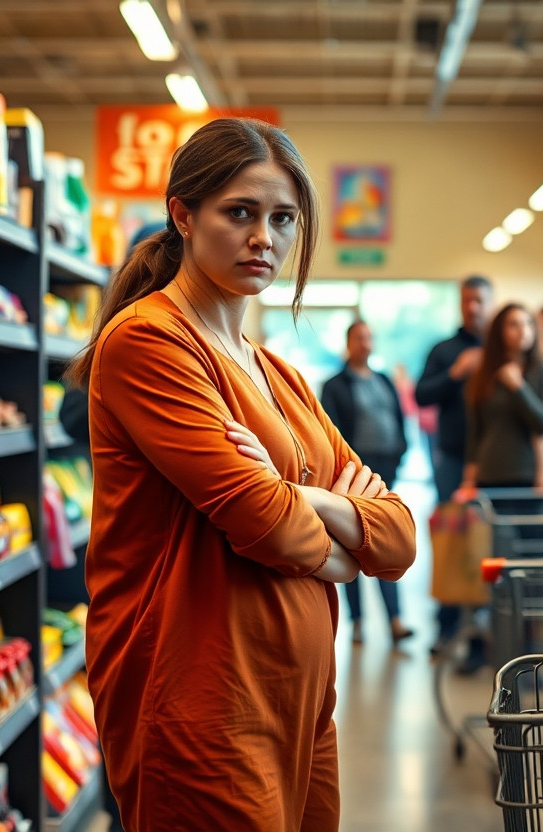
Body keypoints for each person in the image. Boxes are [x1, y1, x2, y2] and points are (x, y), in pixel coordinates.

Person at [70, 117, 417, 831]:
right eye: (241, 213)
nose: (265, 237)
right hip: (203, 704)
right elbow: (271, 530)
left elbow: (400, 539)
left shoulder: (276, 372)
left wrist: (304, 499)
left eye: (283, 218)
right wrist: (335, 545)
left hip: (299, 701)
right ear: (183, 215)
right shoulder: (148, 341)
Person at [320, 320, 414, 646]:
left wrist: (401, 452)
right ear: (348, 343)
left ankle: (395, 619)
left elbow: (399, 419)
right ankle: (357, 622)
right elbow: (331, 431)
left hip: (387, 466)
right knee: (354, 543)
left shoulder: (384, 379)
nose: (365, 343)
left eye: (369, 338)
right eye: (359, 338)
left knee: (384, 542)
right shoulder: (335, 385)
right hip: (354, 473)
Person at [416, 275, 492, 654]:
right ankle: (446, 629)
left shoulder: (501, 349)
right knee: (450, 543)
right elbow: (421, 394)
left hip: (492, 467)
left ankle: (482, 637)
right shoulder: (444, 349)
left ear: (490, 302)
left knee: (486, 545)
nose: (473, 306)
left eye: (479, 300)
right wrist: (456, 373)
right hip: (452, 461)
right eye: (467, 300)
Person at [458, 302, 543, 497]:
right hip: (488, 475)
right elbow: (476, 431)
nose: (523, 331)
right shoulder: (484, 375)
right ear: (499, 332)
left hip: (527, 476)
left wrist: (519, 387)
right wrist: (469, 478)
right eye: (514, 324)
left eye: (528, 323)